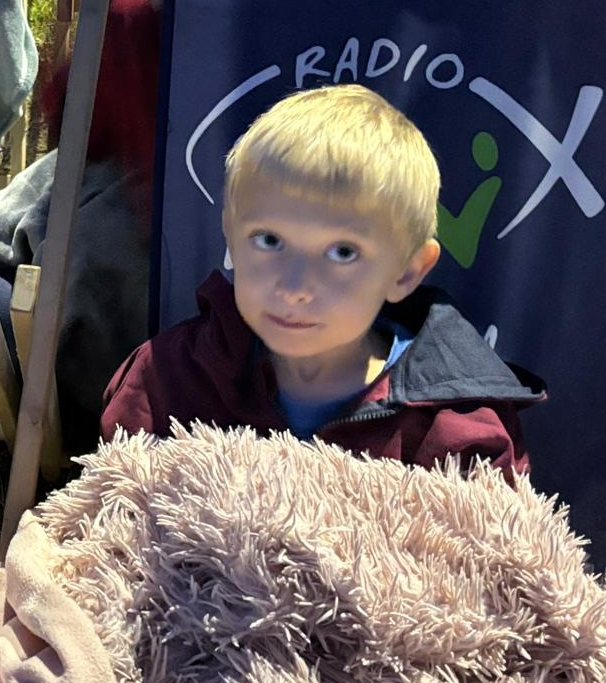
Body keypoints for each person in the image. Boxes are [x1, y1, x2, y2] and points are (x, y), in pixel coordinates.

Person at [100, 85, 542, 474]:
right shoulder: (166, 378)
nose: (295, 286)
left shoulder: (456, 427)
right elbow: (114, 512)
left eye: (342, 252)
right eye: (269, 240)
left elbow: (488, 540)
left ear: (407, 270)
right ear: (229, 232)